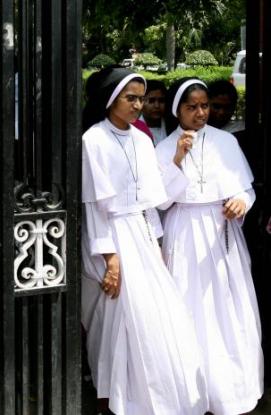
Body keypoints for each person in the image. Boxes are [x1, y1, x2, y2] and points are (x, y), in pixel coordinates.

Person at [81, 67, 206, 414]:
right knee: (117, 317)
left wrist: (158, 244)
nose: (138, 105)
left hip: (144, 235)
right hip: (112, 236)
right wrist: (109, 258)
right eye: (130, 98)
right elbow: (94, 204)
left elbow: (154, 200)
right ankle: (113, 395)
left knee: (152, 319)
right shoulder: (93, 140)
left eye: (141, 98)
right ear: (110, 99)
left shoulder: (141, 139)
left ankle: (147, 397)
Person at [156, 77, 263, 414]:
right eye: (192, 107)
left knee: (225, 309)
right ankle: (190, 391)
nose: (201, 112)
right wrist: (176, 158)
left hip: (221, 233)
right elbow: (159, 202)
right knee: (188, 307)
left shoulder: (225, 141)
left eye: (204, 106)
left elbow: (247, 188)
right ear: (178, 110)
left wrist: (241, 203)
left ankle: (228, 391)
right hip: (184, 230)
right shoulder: (162, 147)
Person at [140, 80, 168, 145]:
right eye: (151, 101)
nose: (157, 106)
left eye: (161, 101)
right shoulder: (134, 128)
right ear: (142, 102)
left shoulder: (171, 127)